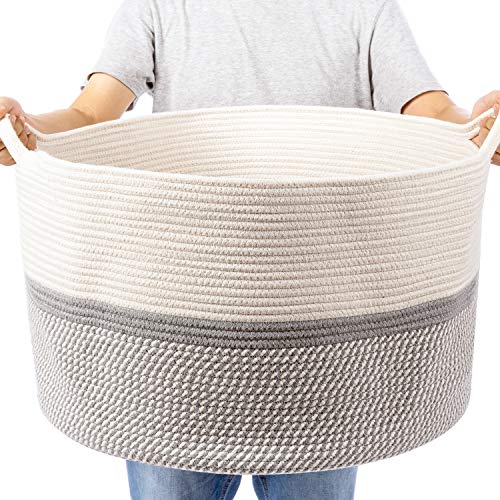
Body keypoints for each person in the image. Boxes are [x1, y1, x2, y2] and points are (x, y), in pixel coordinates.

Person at [0, 1, 498, 499]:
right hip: (176, 342)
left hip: (319, 346)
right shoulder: (157, 7)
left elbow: (434, 112)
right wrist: (28, 130)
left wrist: (480, 124)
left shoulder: (365, 10)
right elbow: (90, 113)